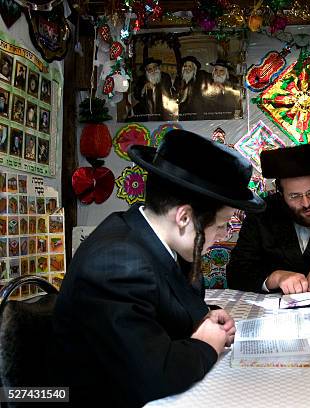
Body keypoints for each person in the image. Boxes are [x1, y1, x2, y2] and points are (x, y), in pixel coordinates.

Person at [53, 129, 266, 406]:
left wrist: (203, 318)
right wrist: (205, 344)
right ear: (185, 217)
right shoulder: (117, 262)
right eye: (222, 224)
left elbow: (159, 309)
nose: (224, 235)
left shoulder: (151, 235)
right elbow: (151, 376)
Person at [226, 142, 310, 294]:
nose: (306, 203)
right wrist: (275, 278)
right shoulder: (261, 214)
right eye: (295, 196)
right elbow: (237, 272)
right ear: (281, 194)